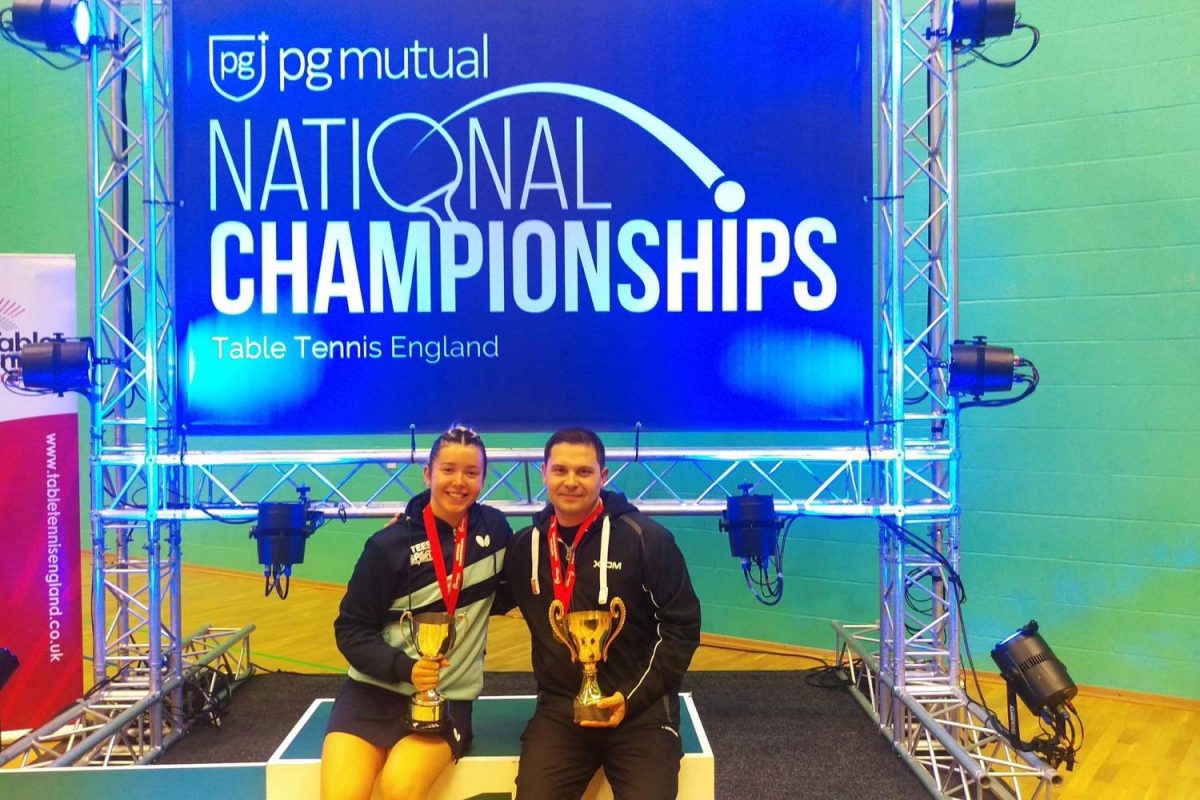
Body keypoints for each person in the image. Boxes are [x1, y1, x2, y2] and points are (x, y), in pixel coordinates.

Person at [505, 427, 701, 799]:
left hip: (641, 713)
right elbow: (477, 590)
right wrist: (410, 534)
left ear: (603, 476)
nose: (570, 481)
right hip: (562, 711)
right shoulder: (523, 547)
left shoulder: (646, 538)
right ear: (544, 473)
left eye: (584, 471)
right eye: (560, 470)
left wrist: (631, 697)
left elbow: (681, 627)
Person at [321, 425, 512, 800]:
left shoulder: (495, 531)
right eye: (448, 470)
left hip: (448, 699)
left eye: (471, 472)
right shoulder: (388, 545)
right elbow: (351, 630)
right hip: (370, 694)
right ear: (428, 474)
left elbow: (527, 570)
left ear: (483, 479)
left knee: (400, 788)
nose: (459, 482)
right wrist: (405, 668)